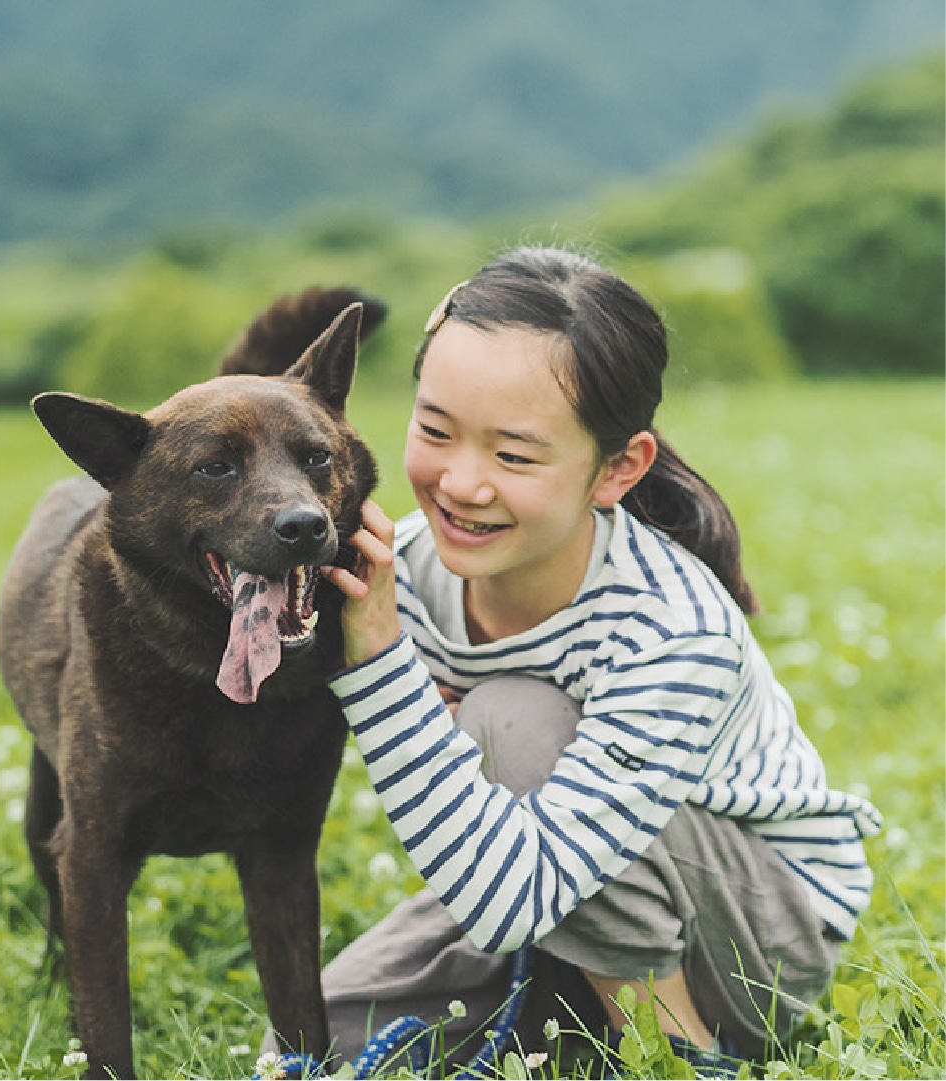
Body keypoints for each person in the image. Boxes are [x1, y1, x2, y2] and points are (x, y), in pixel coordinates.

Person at [311, 245, 881, 1075]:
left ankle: (676, 1053)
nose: (460, 482)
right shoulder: (402, 572)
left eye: (513, 454)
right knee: (311, 1042)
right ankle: (580, 1010)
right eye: (434, 431)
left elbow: (511, 897)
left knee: (514, 714)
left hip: (758, 935)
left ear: (617, 467)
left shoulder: (668, 626)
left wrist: (381, 669)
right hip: (548, 875)